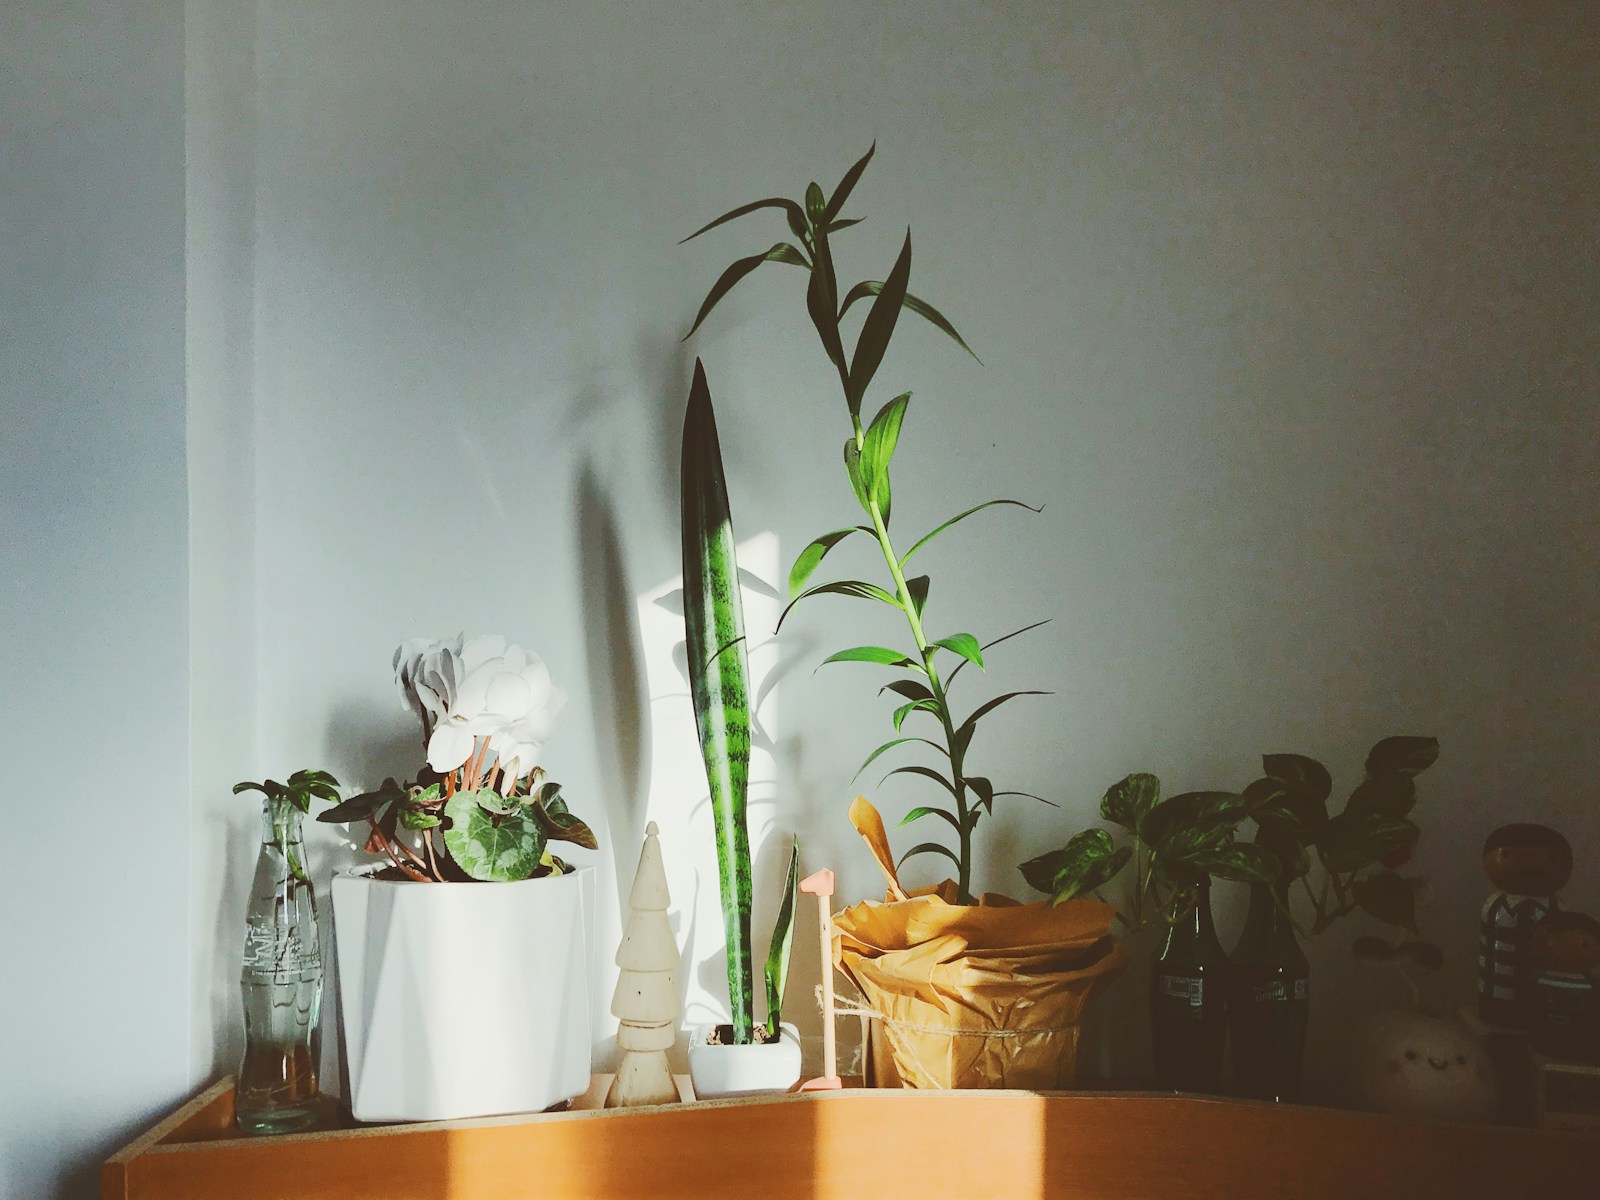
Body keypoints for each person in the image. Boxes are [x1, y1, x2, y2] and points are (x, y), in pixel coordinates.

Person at [1479, 823, 1572, 1027]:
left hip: (1544, 996)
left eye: (1550, 858)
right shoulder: (1495, 906)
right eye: (1508, 856)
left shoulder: (1557, 909)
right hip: (1496, 993)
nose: (1534, 866)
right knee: (1498, 1016)